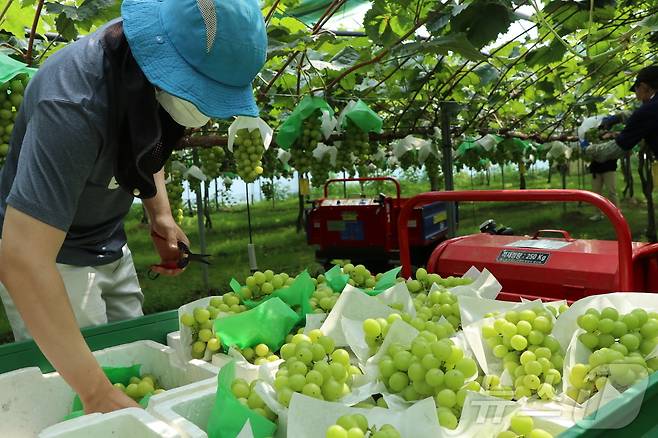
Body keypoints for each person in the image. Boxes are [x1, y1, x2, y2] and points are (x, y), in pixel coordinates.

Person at [0, 0, 266, 415]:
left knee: (129, 360)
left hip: (108, 240)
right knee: (84, 386)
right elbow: (22, 258)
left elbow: (145, 141)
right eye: (199, 92)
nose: (208, 113)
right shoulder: (72, 103)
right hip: (51, 259)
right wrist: (96, 394)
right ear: (161, 62)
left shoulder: (145, 61)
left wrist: (160, 214)